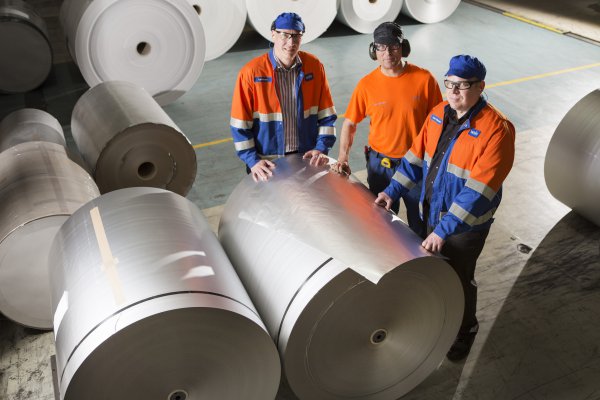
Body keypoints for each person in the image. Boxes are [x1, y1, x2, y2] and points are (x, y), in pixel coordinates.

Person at [374, 55, 515, 361]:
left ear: (480, 87)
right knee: (432, 273)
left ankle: (466, 329)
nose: (453, 92)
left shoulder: (496, 130)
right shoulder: (439, 113)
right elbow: (413, 157)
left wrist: (445, 229)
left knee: (458, 277)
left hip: (464, 228)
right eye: (449, 84)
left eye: (462, 86)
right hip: (431, 214)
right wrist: (391, 190)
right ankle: (437, 316)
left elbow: (477, 191)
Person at [331, 21, 442, 237]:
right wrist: (343, 156)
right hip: (379, 166)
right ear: (374, 50)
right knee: (381, 224)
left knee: (419, 222)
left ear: (403, 48)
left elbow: (438, 124)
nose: (387, 53)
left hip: (416, 166)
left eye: (393, 46)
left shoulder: (424, 80)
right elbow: (350, 123)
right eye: (381, 47)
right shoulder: (366, 85)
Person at [230, 12, 337, 182]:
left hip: (305, 161)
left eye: (296, 36)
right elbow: (239, 125)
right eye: (285, 35)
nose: (291, 42)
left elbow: (327, 117)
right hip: (268, 166)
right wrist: (253, 161)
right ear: (273, 34)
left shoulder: (314, 68)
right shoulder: (251, 73)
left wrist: (321, 149)